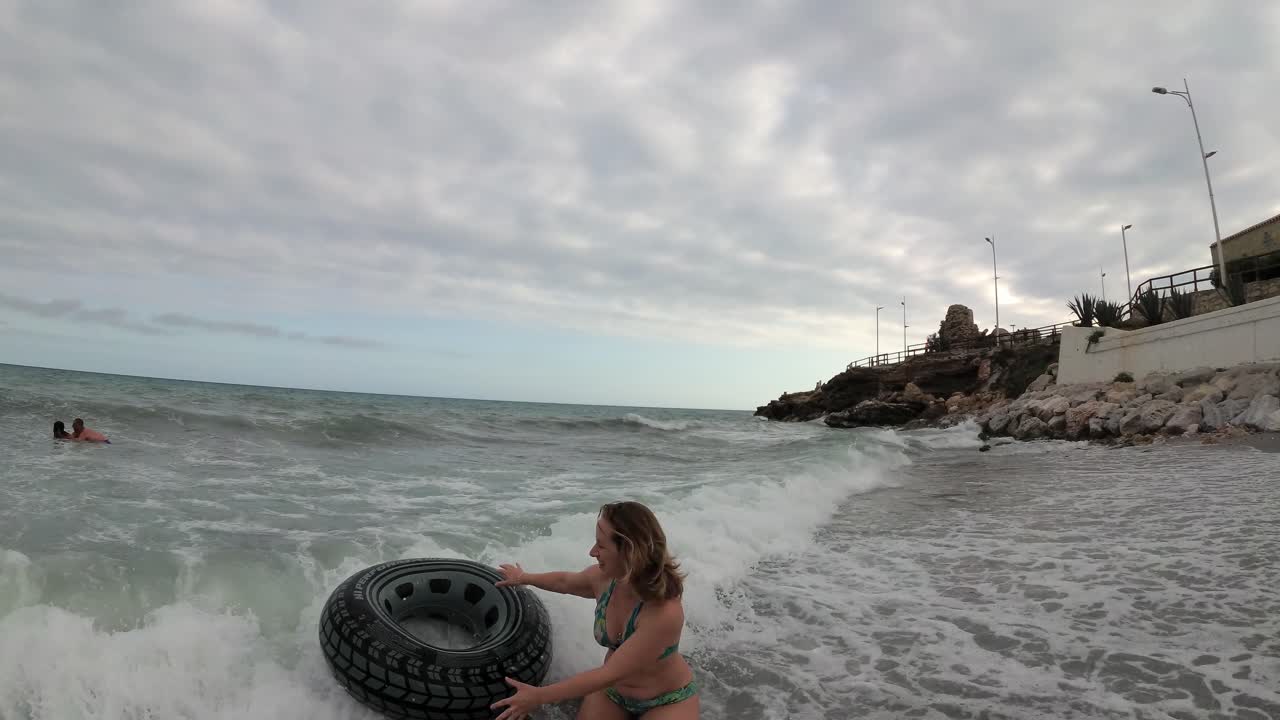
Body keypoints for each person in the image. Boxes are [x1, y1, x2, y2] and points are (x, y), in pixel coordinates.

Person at [491, 501, 698, 720]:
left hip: (666, 701)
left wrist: (539, 696)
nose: (592, 552)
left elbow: (607, 674)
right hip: (614, 693)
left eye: (601, 545)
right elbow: (564, 581)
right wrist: (524, 578)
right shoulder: (605, 579)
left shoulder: (663, 612)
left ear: (629, 551)